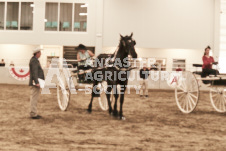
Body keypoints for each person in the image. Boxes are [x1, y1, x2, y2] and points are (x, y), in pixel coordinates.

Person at [29, 47, 45, 119]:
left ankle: (33, 112)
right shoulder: (34, 61)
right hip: (36, 81)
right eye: (40, 53)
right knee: (34, 97)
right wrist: (37, 82)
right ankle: (33, 113)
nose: (41, 54)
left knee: (34, 97)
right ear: (37, 53)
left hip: (36, 81)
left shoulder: (34, 60)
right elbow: (35, 72)